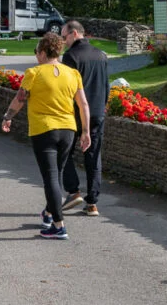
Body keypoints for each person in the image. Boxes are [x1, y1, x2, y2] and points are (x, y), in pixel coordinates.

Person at [1, 32, 91, 239]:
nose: (36, 56)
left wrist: (7, 116)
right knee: (56, 173)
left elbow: (20, 99)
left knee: (50, 177)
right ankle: (49, 212)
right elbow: (83, 104)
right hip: (68, 130)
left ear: (42, 52)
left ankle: (58, 226)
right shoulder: (72, 73)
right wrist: (85, 131)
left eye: (37, 52)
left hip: (44, 130)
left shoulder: (34, 73)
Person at [60, 20, 109, 217]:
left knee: (63, 153)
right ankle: (93, 203)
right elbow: (106, 86)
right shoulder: (101, 55)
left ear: (73, 34)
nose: (63, 42)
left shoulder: (71, 56)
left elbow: (67, 88)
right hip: (97, 111)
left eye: (64, 37)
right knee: (93, 156)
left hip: (75, 112)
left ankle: (73, 191)